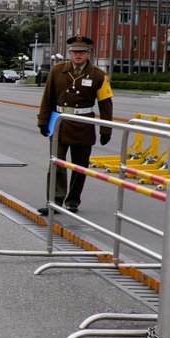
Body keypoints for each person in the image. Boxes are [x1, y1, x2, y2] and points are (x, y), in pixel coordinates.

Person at [36, 35, 113, 215]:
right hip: (60, 124)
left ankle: (72, 200)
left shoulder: (98, 75)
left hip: (84, 124)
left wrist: (105, 130)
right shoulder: (57, 71)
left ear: (88, 53)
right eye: (75, 52)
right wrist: (43, 121)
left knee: (80, 166)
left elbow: (106, 103)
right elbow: (47, 98)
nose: (78, 55)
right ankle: (53, 202)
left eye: (82, 52)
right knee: (57, 164)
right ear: (69, 53)